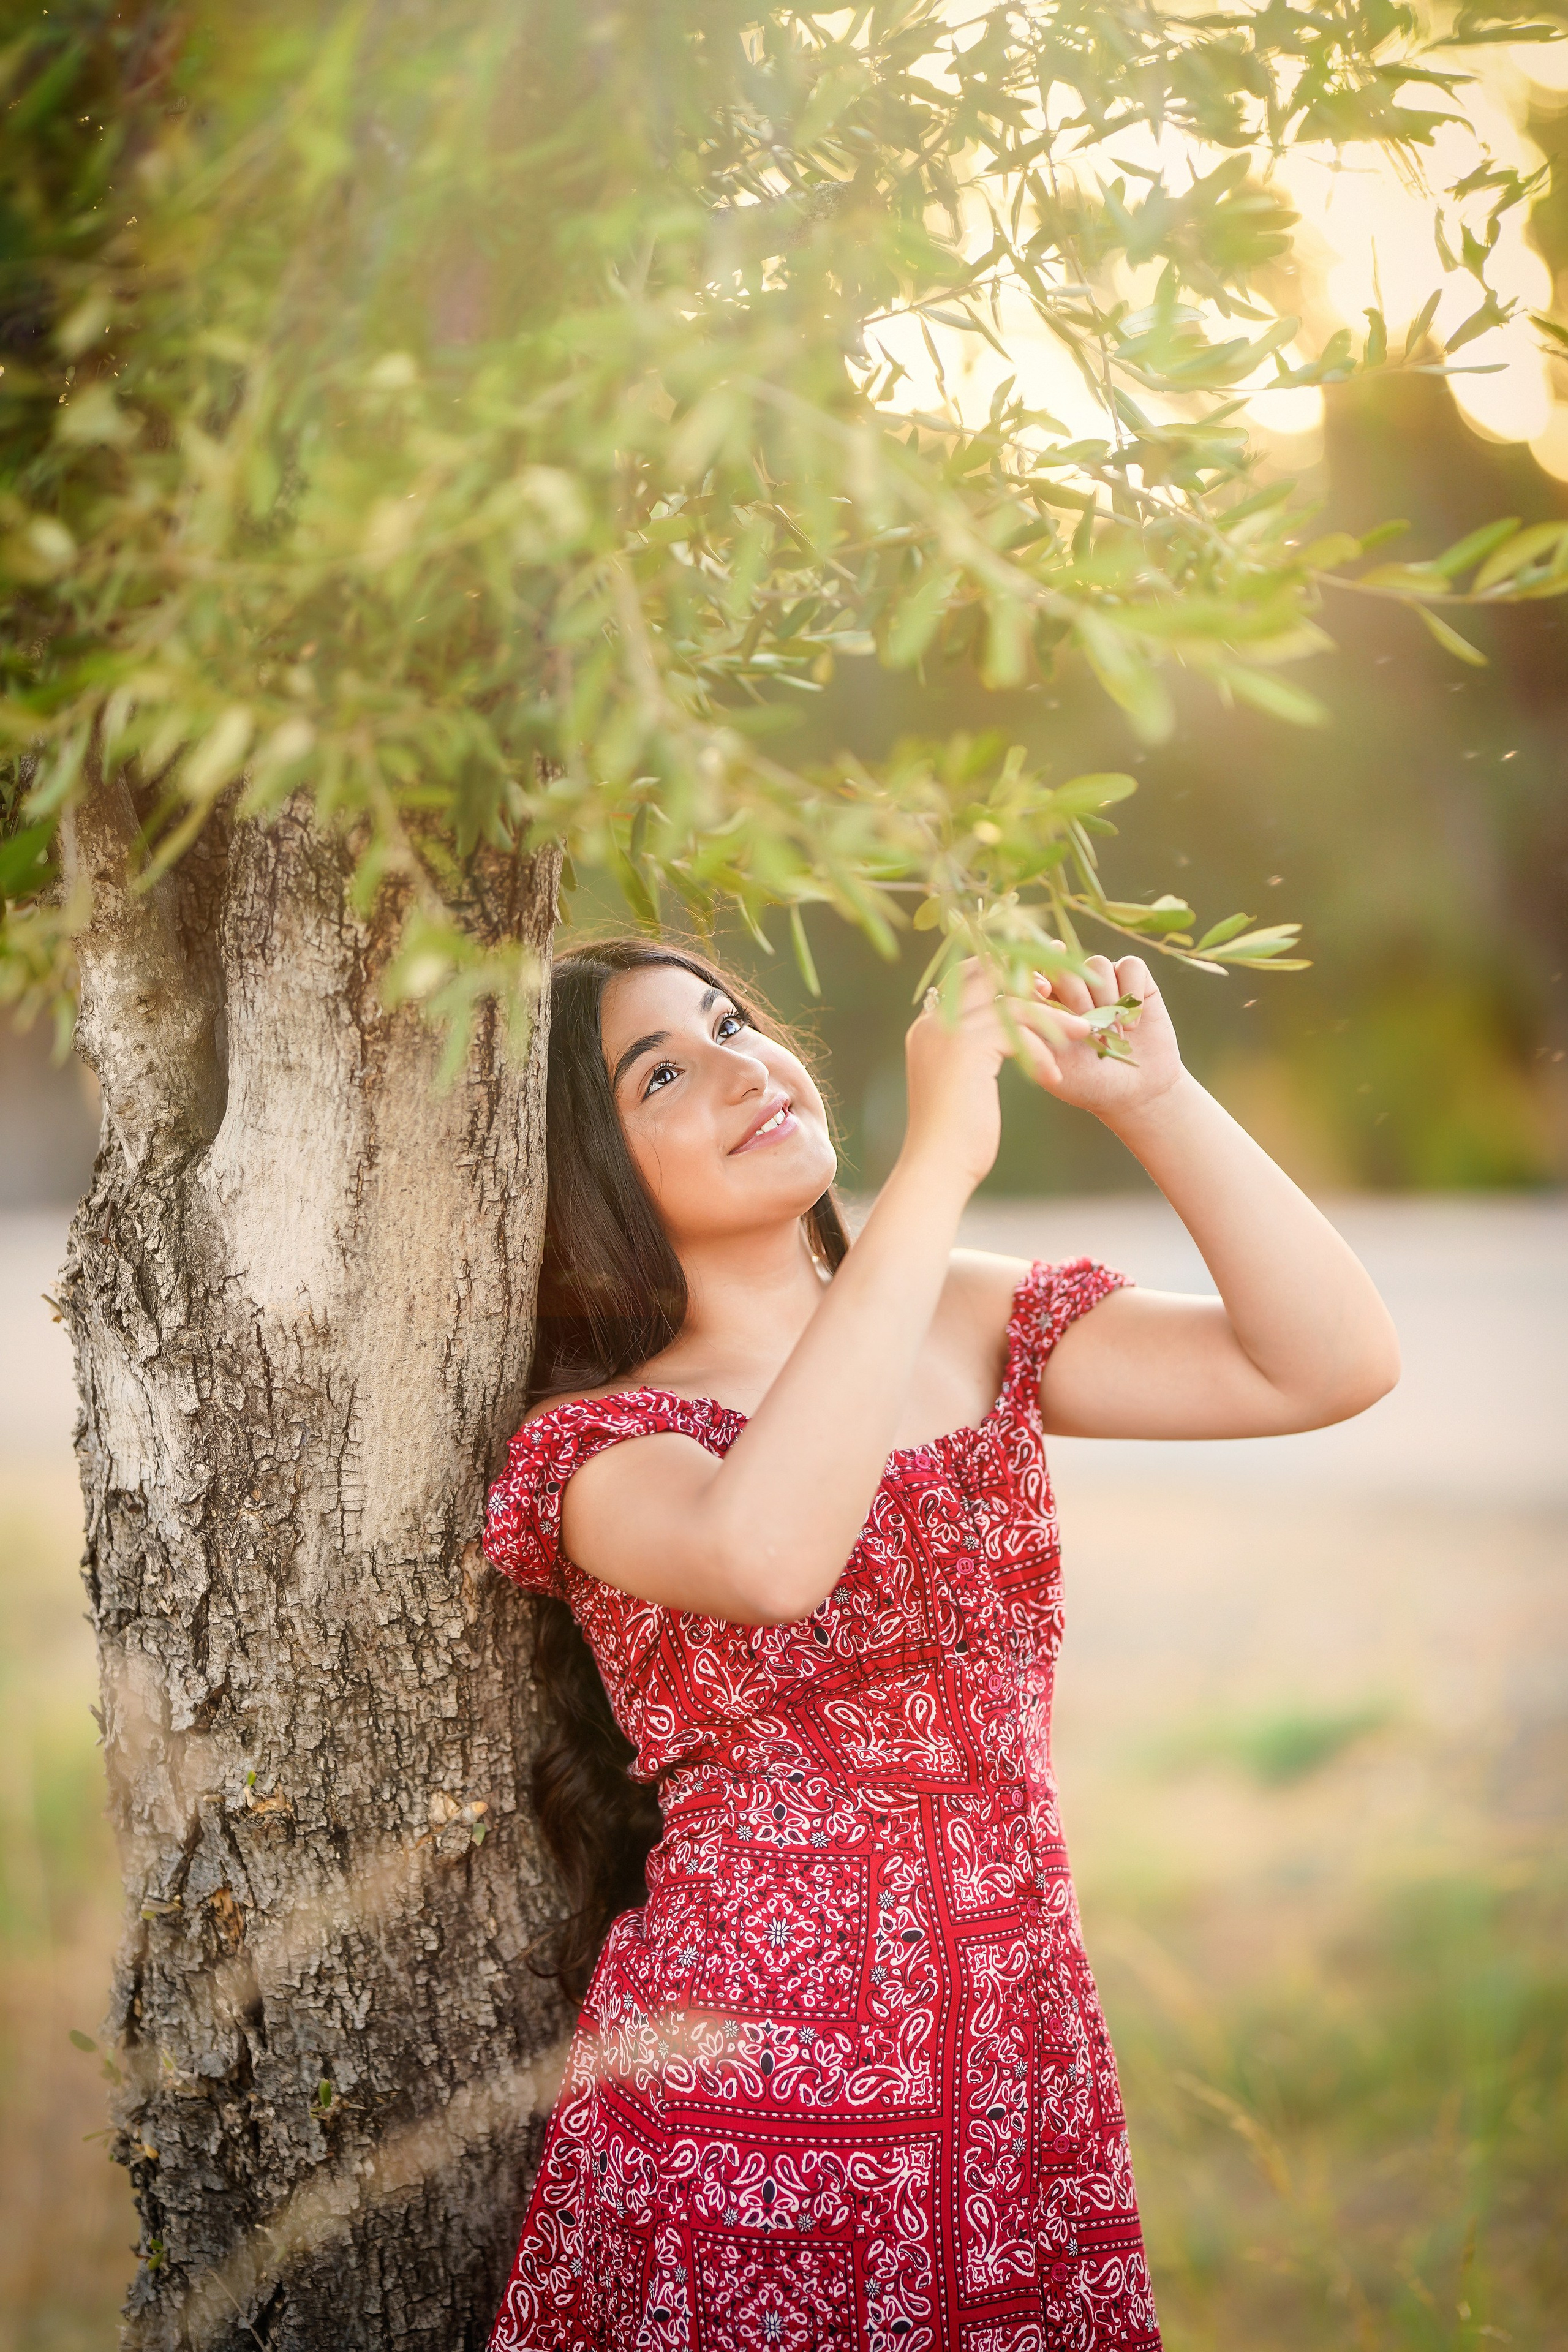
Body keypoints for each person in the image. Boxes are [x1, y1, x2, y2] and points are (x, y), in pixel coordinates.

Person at [483, 933, 1399, 2352]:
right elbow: (765, 1555)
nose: (740, 1068)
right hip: (761, 2087)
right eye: (660, 1073)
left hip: (1011, 2041)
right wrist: (935, 1165)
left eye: (731, 1023)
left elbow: (1326, 1364)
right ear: (587, 1172)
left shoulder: (969, 1317)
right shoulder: (600, 1444)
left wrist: (1153, 1100)